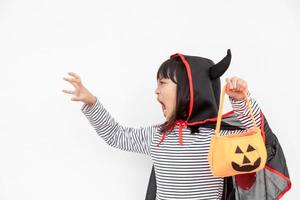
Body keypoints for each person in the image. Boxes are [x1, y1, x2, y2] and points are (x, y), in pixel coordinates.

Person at [62, 51, 263, 200]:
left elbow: (257, 135)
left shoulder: (220, 138)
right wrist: (92, 103)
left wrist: (240, 100)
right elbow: (116, 136)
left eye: (162, 83)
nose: (156, 91)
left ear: (190, 88)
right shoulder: (158, 136)